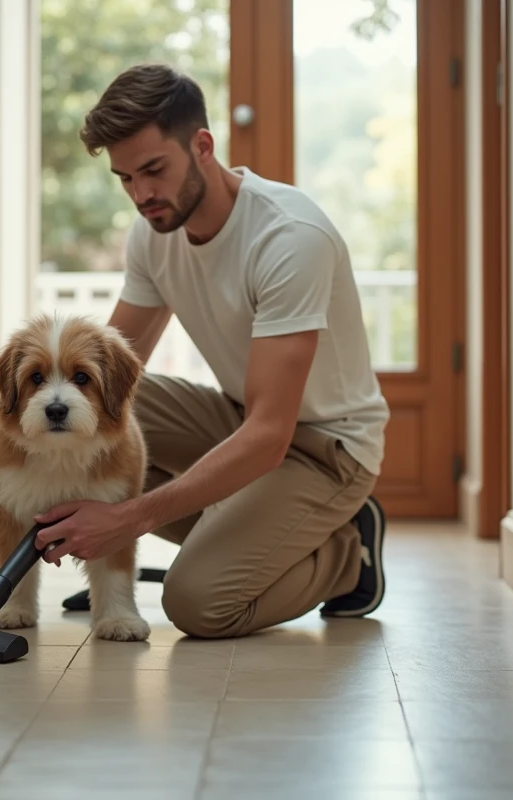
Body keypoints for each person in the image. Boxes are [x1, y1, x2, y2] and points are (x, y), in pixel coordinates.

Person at [33, 63, 390, 638]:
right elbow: (108, 368)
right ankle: (251, 525)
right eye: (125, 178)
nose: (142, 194)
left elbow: (273, 433)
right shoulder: (153, 233)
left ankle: (346, 553)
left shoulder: (288, 238)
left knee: (200, 603)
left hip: (327, 448)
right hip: (239, 419)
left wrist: (127, 519)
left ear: (202, 145)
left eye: (153, 169)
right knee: (93, 403)